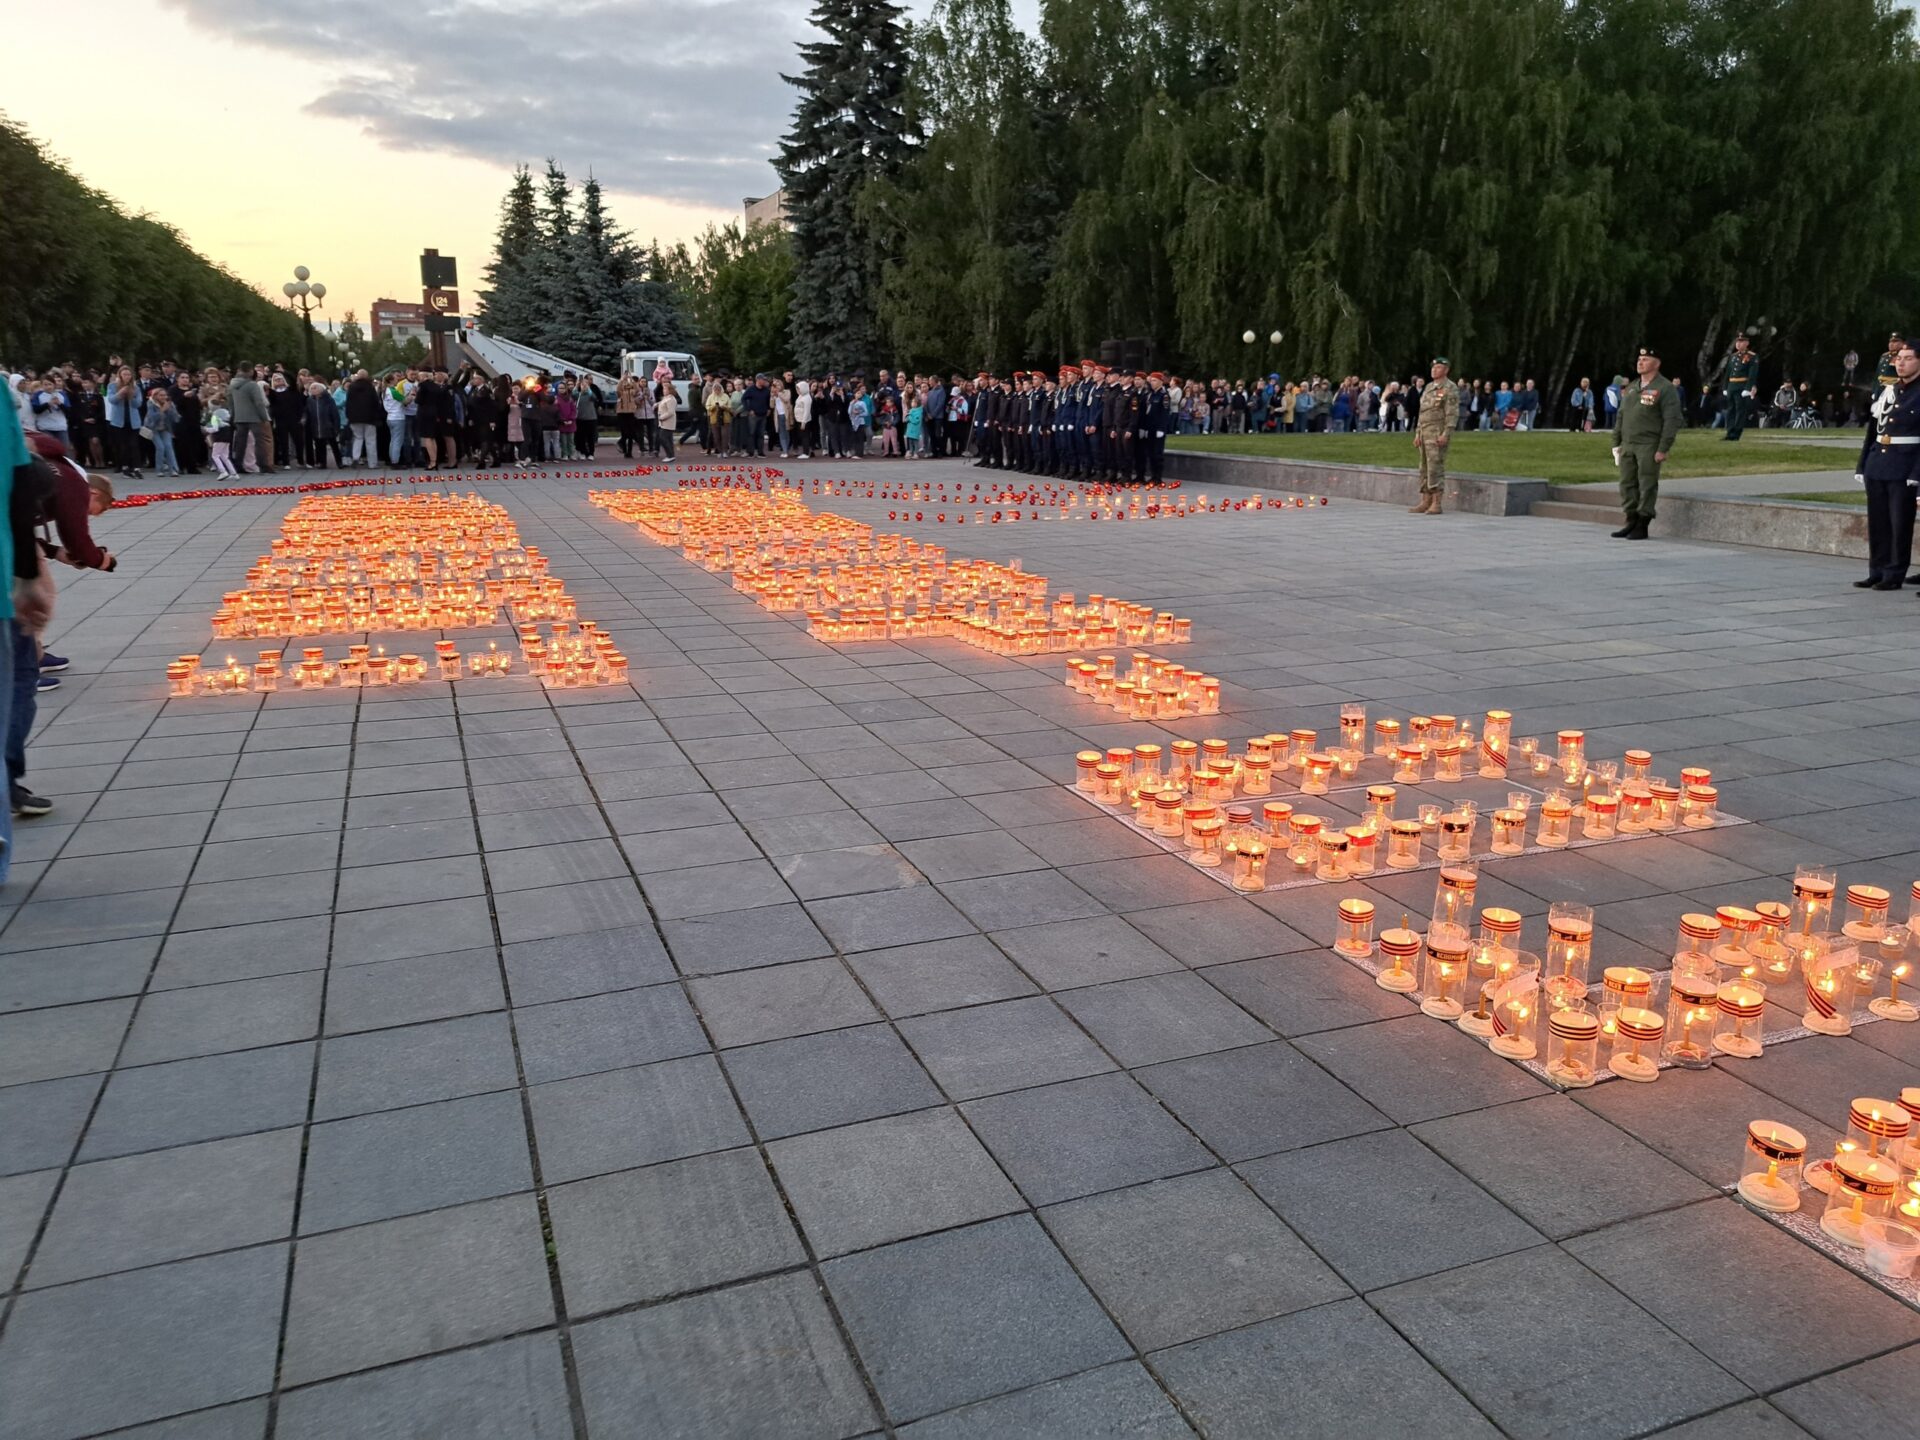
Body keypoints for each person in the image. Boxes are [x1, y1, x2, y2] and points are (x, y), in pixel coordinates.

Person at [1852, 339, 1920, 590]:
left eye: (1908, 358)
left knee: (1899, 523)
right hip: (1879, 462)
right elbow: (1873, 430)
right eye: (1898, 358)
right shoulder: (1889, 391)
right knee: (1878, 522)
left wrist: (1917, 473)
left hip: (1905, 465)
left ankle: (1894, 573)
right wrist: (1863, 465)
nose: (1901, 363)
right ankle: (1877, 570)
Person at [1610, 347, 1683, 539]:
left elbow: (1672, 420)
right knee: (1627, 483)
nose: (1640, 362)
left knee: (1647, 483)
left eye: (1645, 359)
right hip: (1628, 443)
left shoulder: (1664, 388)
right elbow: (1622, 415)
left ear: (1656, 363)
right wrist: (1616, 441)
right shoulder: (1633, 387)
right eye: (1639, 359)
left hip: (1648, 444)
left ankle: (1643, 522)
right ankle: (1630, 519)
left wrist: (1663, 448)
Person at [1409, 357, 1458, 514]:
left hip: (1437, 433)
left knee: (1435, 467)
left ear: (1446, 370)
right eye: (1433, 367)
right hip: (1424, 432)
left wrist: (1446, 433)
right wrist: (1417, 433)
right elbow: (1422, 412)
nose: (1434, 370)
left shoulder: (1450, 388)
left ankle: (1436, 502)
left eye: (1438, 367)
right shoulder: (1429, 387)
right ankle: (1425, 500)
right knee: (1423, 467)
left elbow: (1451, 414)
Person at [1721, 334, 1760, 440]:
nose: (1738, 344)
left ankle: (1736, 433)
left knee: (1740, 410)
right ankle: (1729, 432)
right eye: (1737, 341)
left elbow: (1752, 374)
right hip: (1731, 386)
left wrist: (1748, 388)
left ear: (1747, 343)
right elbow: (1728, 373)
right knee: (1730, 410)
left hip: (1741, 386)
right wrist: (1725, 387)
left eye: (1741, 341)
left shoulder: (1752, 356)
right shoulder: (1733, 356)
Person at [144, 387, 181, 476]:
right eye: (161, 395)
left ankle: (173, 469)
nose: (163, 397)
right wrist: (161, 410)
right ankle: (159, 469)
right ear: (156, 396)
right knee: (160, 447)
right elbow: (152, 418)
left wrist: (171, 409)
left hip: (165, 429)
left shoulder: (169, 404)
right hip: (153, 429)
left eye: (165, 395)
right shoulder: (151, 404)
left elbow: (176, 419)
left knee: (168, 447)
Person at [653, 375, 678, 460]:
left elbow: (670, 412)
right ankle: (671, 455)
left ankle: (670, 455)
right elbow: (662, 402)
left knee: (663, 438)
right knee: (668, 439)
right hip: (664, 422)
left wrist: (661, 417)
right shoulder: (666, 398)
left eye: (665, 389)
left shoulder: (671, 399)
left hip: (667, 422)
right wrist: (657, 404)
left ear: (669, 390)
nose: (663, 390)